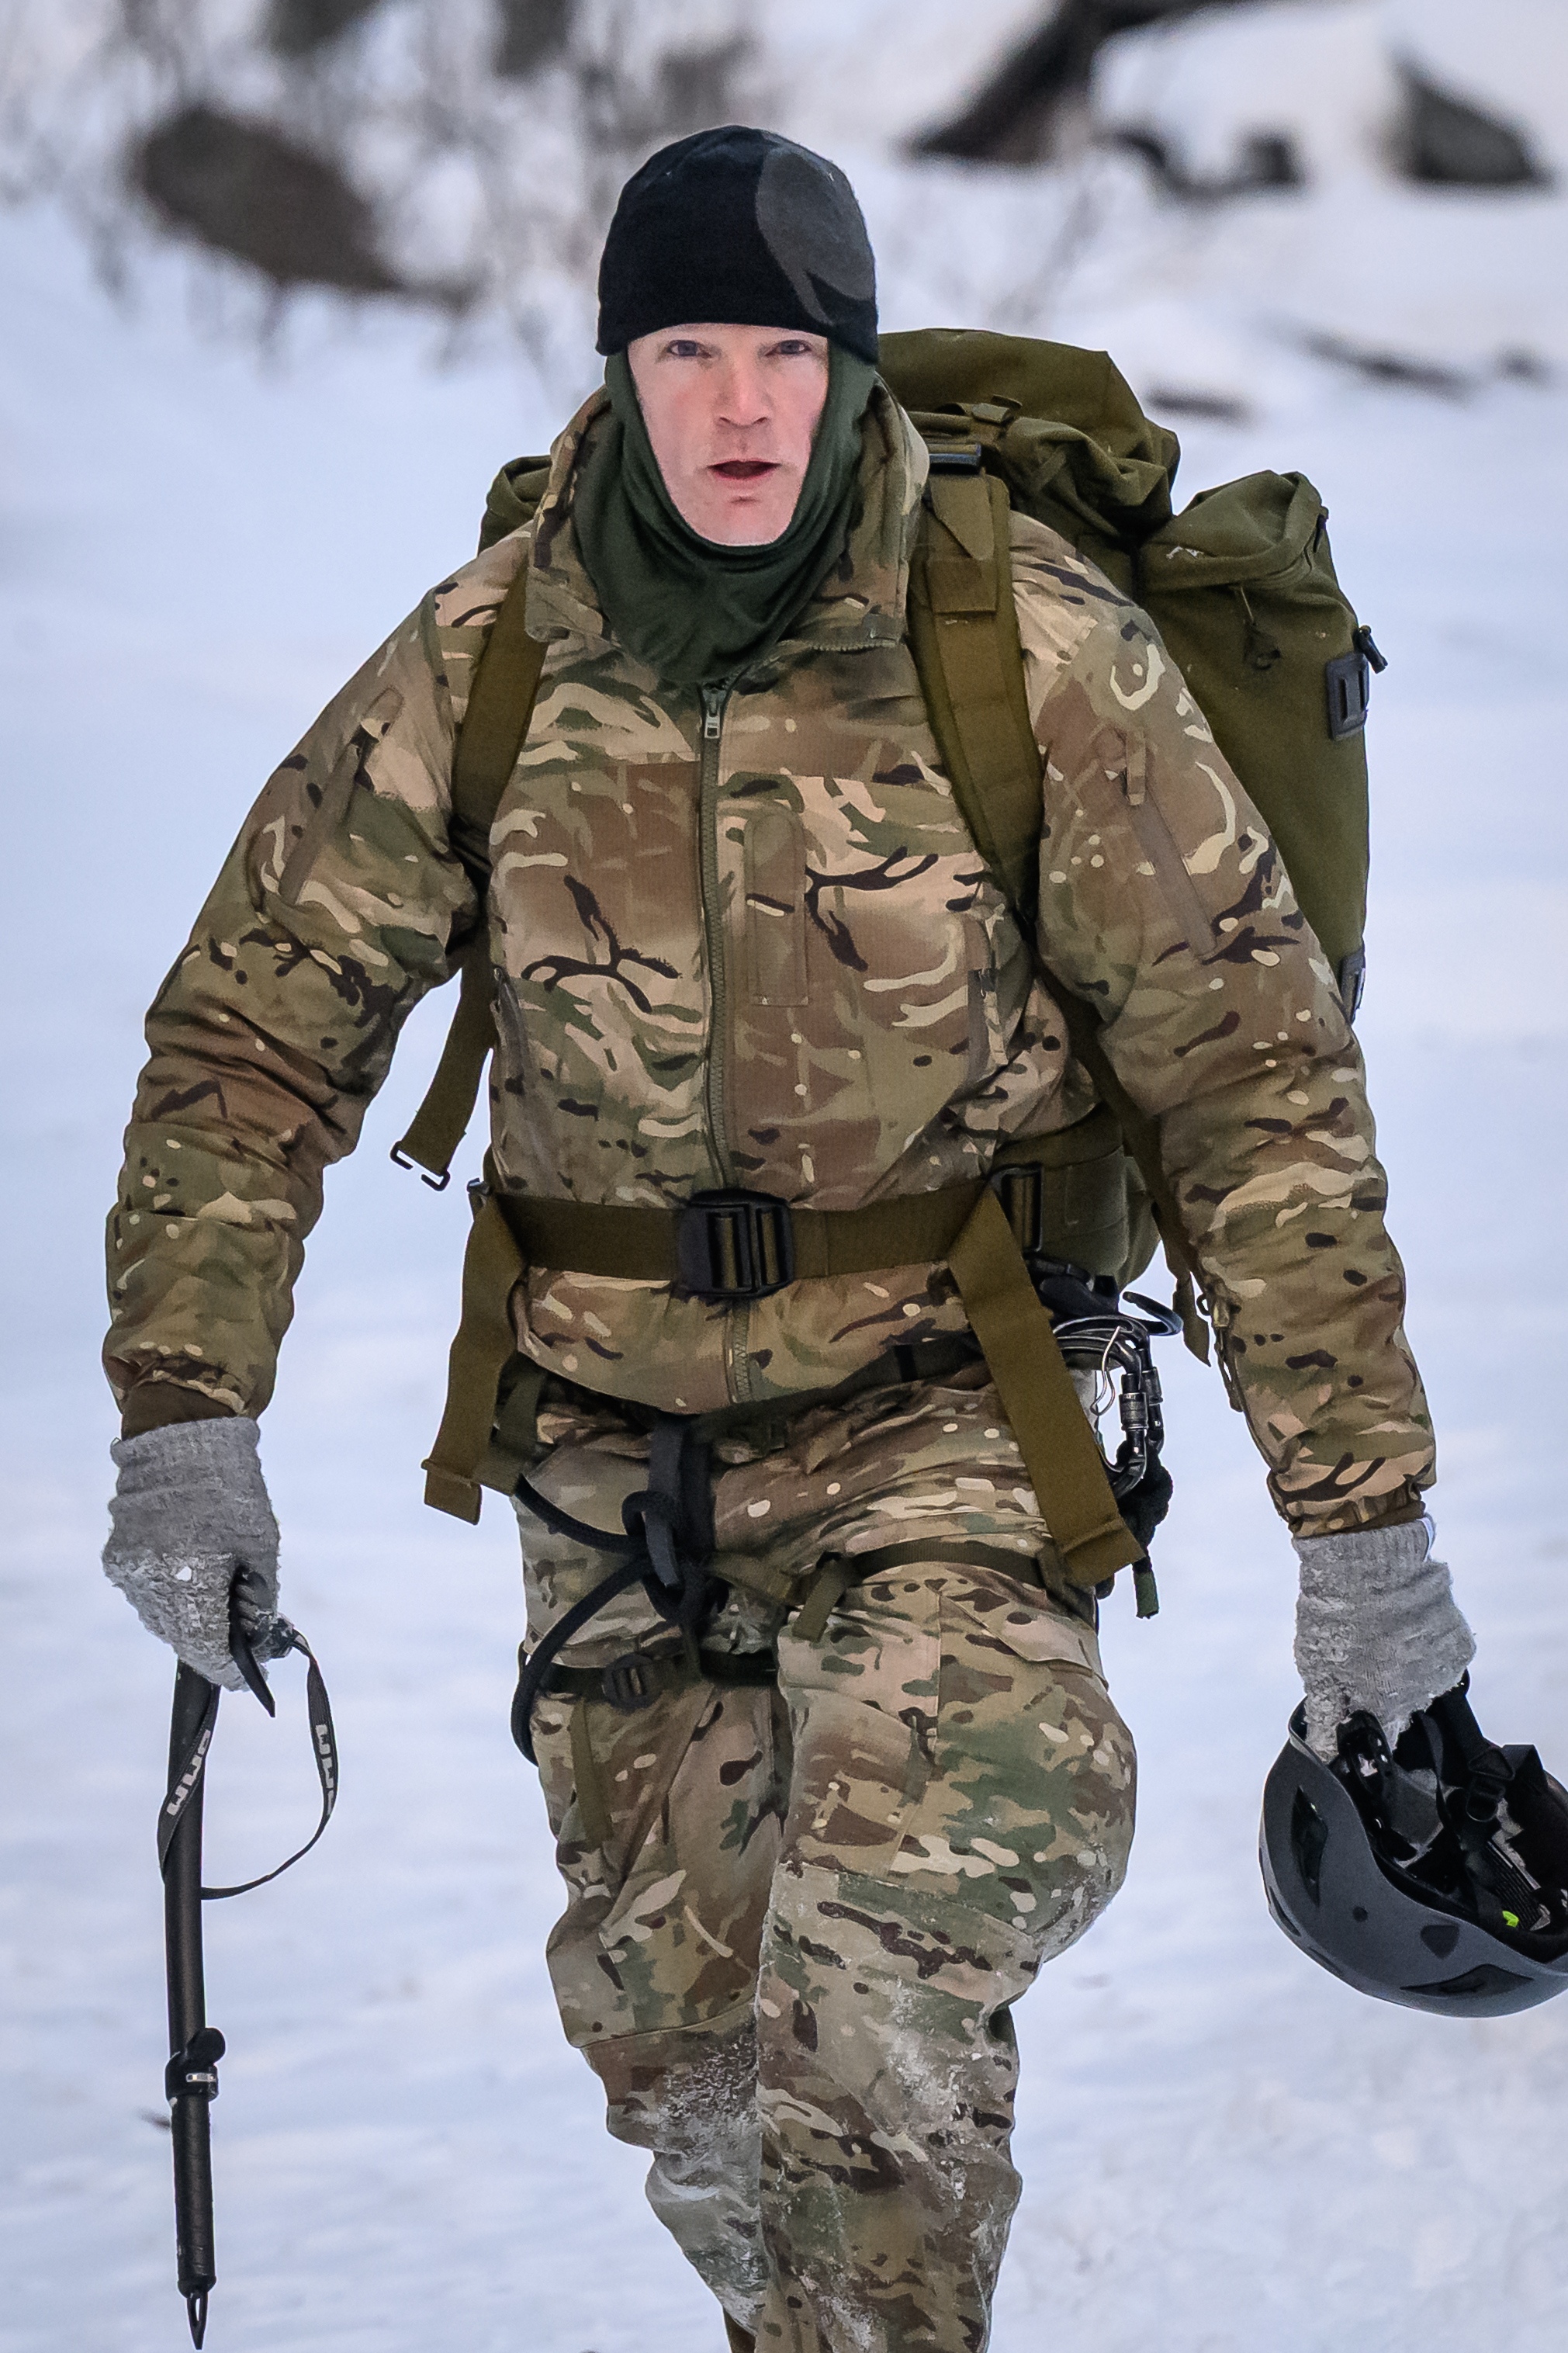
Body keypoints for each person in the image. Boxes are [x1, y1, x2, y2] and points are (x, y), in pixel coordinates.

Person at [102, 126, 1475, 2353]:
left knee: (875, 2010)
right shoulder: (489, 653)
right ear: (618, 367)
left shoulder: (1024, 647)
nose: (739, 408)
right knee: (699, 2085)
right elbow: (255, 1032)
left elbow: (1254, 1083)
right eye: (686, 354)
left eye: (783, 354)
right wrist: (188, 1418)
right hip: (605, 1463)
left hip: (951, 1421)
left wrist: (1367, 1543)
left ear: (847, 368)